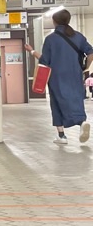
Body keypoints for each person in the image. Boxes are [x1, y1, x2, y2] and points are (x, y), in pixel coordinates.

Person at [25, 9, 93, 145]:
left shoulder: (50, 39)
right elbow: (91, 53)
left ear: (54, 21)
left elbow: (44, 61)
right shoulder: (78, 36)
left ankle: (61, 136)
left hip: (56, 76)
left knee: (56, 102)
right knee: (76, 98)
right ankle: (81, 122)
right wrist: (85, 67)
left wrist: (31, 51)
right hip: (75, 74)